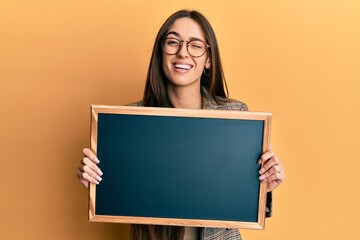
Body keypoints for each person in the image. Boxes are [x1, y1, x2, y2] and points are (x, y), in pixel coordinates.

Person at [76, 9, 285, 240]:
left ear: (208, 60)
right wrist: (98, 183)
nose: (183, 52)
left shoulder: (235, 115)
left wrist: (264, 185)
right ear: (160, 54)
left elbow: (240, 200)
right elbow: (124, 194)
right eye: (173, 42)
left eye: (195, 45)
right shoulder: (129, 122)